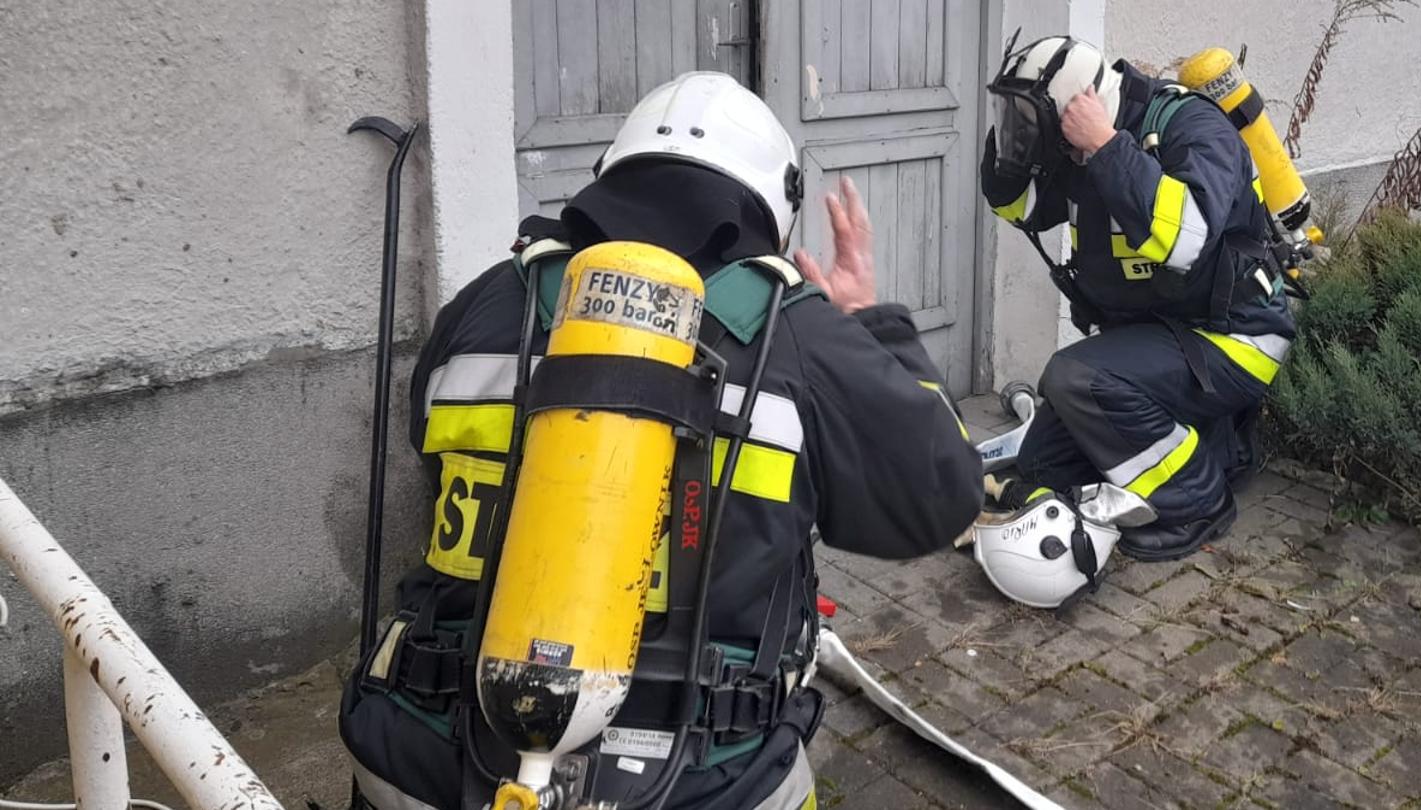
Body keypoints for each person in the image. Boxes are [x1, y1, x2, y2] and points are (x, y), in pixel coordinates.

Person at [339, 71, 983, 810]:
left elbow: (427, 447)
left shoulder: (489, 302)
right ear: (772, 205)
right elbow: (942, 495)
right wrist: (871, 320)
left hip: (416, 758)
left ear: (613, 173)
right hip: (696, 778)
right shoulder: (797, 333)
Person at [979, 36, 1295, 562]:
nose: (1023, 128)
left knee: (1075, 377)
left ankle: (1198, 500)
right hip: (1164, 335)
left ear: (1082, 104)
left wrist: (1107, 148)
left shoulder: (1193, 128)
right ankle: (1216, 447)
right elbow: (1025, 209)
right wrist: (1010, 155)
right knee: (1042, 466)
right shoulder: (1077, 149)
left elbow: (1186, 238)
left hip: (1234, 337)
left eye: (1030, 117)